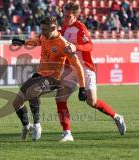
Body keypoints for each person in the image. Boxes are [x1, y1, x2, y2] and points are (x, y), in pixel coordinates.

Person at [29, 2, 126, 142]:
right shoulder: (63, 27)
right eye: (64, 15)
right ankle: (67, 133)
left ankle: (117, 117)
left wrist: (76, 47)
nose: (65, 18)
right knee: (60, 98)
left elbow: (90, 46)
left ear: (75, 15)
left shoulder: (80, 28)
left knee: (91, 101)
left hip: (85, 67)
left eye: (68, 16)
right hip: (70, 69)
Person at [12, 16, 87, 141]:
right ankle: (27, 126)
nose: (42, 32)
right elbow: (37, 40)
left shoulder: (63, 44)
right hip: (39, 75)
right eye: (41, 29)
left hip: (53, 79)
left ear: (53, 28)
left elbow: (77, 65)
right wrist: (24, 42)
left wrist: (82, 87)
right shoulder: (44, 36)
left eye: (44, 29)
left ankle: (37, 125)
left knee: (32, 92)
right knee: (16, 103)